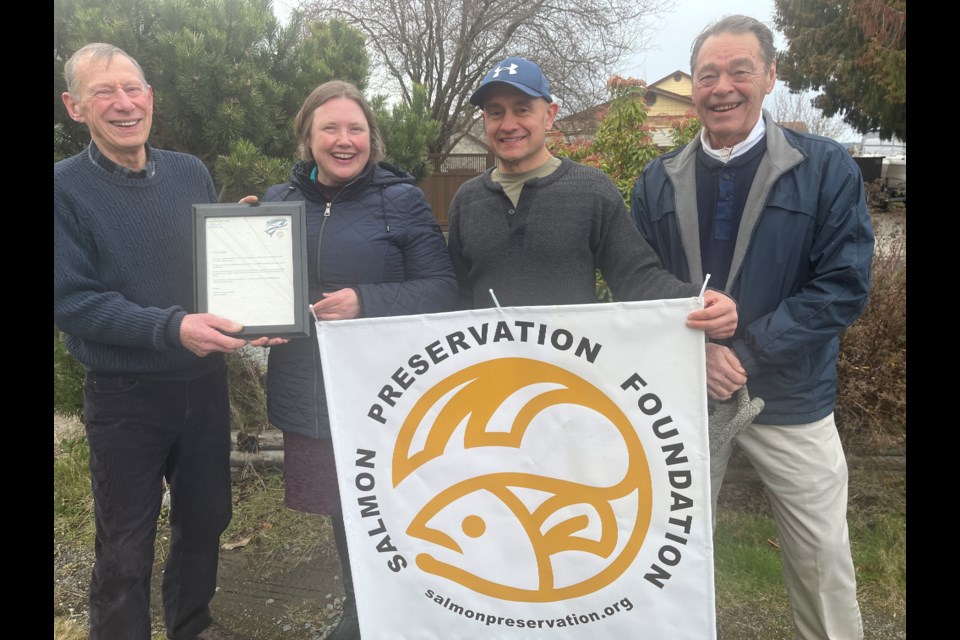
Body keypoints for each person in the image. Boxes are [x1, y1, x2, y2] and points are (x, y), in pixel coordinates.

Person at [631, 15, 873, 640]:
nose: (722, 86)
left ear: (770, 76)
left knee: (822, 559)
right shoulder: (656, 182)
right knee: (664, 554)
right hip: (682, 401)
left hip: (790, 396)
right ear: (695, 90)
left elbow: (842, 286)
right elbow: (639, 286)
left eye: (741, 69)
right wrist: (693, 354)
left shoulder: (824, 169)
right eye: (708, 74)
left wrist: (744, 351)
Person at [54, 43, 282, 640]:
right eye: (103, 92)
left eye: (133, 89)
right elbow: (71, 301)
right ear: (75, 107)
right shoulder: (63, 189)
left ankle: (192, 626)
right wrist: (171, 327)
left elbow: (198, 271)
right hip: (126, 394)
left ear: (151, 97)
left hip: (203, 385)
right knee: (125, 545)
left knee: (206, 520)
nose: (123, 103)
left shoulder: (189, 172)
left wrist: (242, 246)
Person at [260, 80, 458, 640]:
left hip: (385, 388)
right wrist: (252, 316)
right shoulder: (276, 203)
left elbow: (442, 288)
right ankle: (359, 609)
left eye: (356, 129)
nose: (344, 140)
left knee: (399, 504)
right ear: (307, 138)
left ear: (372, 137)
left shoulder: (402, 200)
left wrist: (366, 300)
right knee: (345, 510)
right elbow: (255, 279)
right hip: (308, 384)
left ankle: (419, 606)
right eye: (330, 128)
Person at [447, 57, 738, 340]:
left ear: (549, 115)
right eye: (496, 112)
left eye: (522, 110)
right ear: (485, 119)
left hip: (570, 376)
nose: (508, 124)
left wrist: (701, 300)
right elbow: (456, 300)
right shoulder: (467, 200)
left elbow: (636, 279)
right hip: (489, 377)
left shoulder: (591, 190)